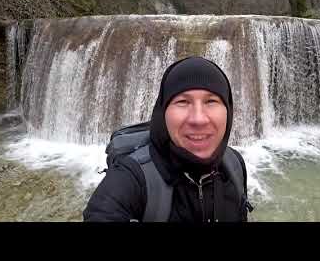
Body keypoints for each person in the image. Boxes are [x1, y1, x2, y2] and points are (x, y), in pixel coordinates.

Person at [83, 56, 252, 222]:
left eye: (211, 101)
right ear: (163, 113)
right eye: (183, 101)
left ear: (228, 111)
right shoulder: (131, 177)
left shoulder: (234, 165)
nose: (198, 119)